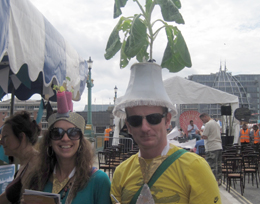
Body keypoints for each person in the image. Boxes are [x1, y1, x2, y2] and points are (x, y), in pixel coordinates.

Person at [111, 62, 221, 204]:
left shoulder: (196, 168)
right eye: (135, 120)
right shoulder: (121, 173)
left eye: (153, 118)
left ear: (167, 120)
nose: (145, 127)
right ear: (129, 126)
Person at [23, 96, 111, 204]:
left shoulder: (99, 181)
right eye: (57, 133)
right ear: (49, 141)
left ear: (80, 141)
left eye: (73, 133)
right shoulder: (36, 178)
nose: (65, 138)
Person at [0, 111, 40, 204]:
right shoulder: (25, 162)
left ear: (21, 137)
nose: (1, 142)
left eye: (5, 137)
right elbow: (8, 196)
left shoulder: (37, 164)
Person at [199, 113, 222, 186]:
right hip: (218, 146)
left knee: (212, 165)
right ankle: (218, 180)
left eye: (202, 120)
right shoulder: (216, 123)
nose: (203, 122)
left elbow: (204, 136)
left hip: (211, 147)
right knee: (218, 165)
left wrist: (200, 132)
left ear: (205, 117)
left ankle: (213, 182)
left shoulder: (208, 124)